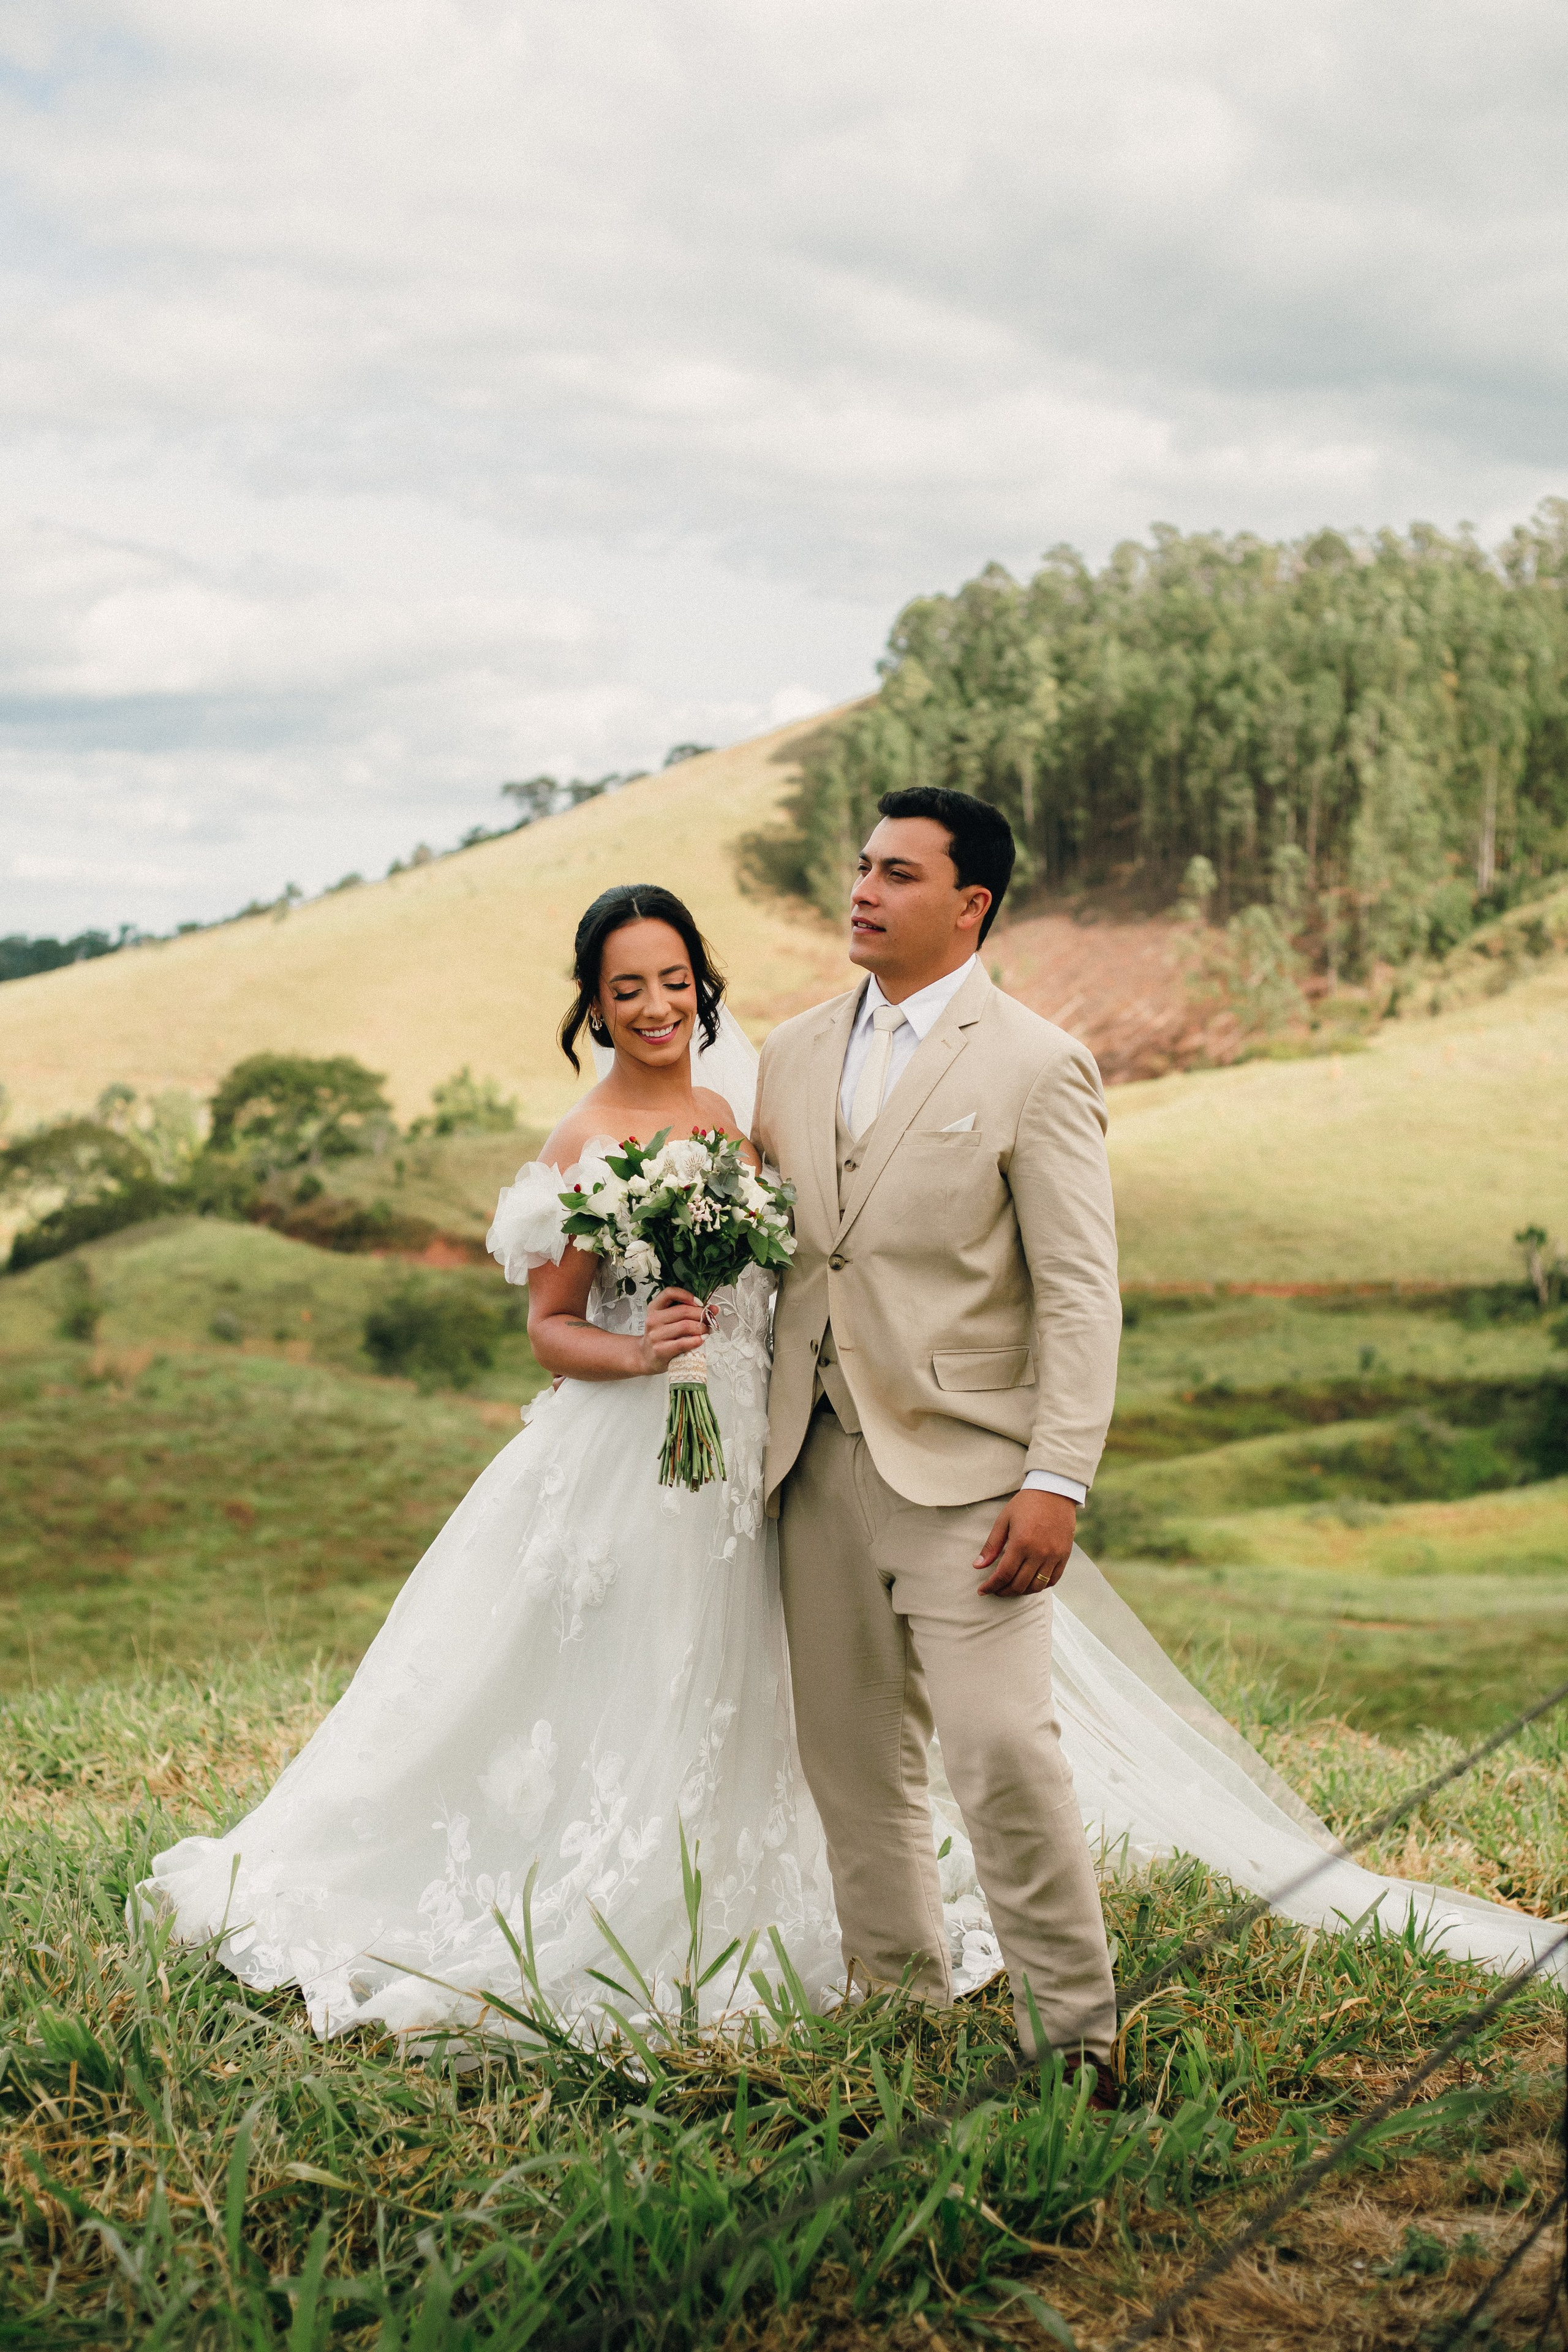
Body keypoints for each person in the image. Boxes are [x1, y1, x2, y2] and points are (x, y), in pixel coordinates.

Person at [134, 886, 843, 2037]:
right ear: (594, 1007)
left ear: (702, 986)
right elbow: (550, 1330)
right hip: (636, 1452)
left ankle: (734, 1873)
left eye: (674, 981)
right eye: (627, 989)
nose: (656, 1006)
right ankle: (606, 1889)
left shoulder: (728, 1113)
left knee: (735, 1664)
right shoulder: (583, 1141)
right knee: (640, 1669)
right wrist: (639, 1350)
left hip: (740, 1445)